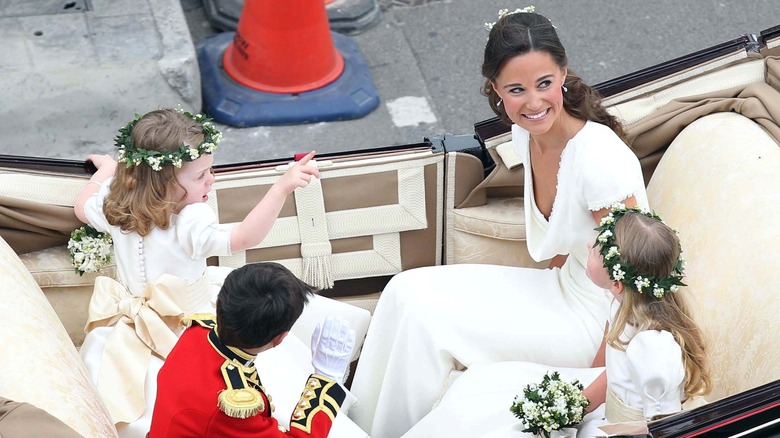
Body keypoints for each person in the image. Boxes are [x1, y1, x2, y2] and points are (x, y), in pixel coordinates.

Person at [349, 9, 649, 438]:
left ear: (563, 73)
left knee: (431, 322)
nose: (533, 102)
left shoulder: (600, 160)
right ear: (496, 90)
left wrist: (600, 377)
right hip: (562, 288)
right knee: (405, 291)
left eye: (545, 83)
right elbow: (567, 234)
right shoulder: (526, 134)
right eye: (516, 89)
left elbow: (639, 282)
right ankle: (361, 429)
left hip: (601, 322)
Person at [73, 108, 367, 438]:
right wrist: (281, 188)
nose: (211, 179)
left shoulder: (115, 204)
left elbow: (81, 203)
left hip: (125, 329)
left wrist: (107, 172)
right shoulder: (190, 220)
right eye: (201, 175)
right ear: (165, 183)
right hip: (191, 326)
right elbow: (243, 237)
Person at [401, 205, 711, 437]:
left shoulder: (652, 347)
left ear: (617, 283)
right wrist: (574, 407)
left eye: (598, 250)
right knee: (484, 398)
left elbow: (666, 427)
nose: (589, 246)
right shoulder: (622, 307)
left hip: (619, 432)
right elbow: (613, 376)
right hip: (603, 415)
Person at [149, 262, 356, 437]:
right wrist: (325, 379)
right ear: (280, 339)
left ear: (220, 303)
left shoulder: (197, 332)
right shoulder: (231, 408)